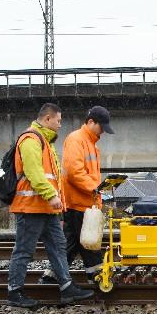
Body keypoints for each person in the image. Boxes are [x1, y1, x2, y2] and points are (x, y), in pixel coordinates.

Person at [7, 103, 94, 308]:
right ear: (47, 119)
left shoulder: (45, 142)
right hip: (31, 207)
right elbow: (34, 172)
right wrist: (51, 196)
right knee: (24, 250)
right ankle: (14, 291)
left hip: (46, 208)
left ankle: (66, 287)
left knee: (58, 246)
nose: (60, 125)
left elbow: (52, 177)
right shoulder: (31, 139)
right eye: (58, 120)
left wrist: (57, 201)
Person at [39, 105, 114, 285]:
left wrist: (97, 190)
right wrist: (95, 189)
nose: (103, 131)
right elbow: (74, 172)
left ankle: (53, 276)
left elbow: (84, 174)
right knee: (87, 243)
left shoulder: (89, 143)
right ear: (90, 122)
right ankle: (96, 277)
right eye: (101, 126)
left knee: (76, 243)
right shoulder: (77, 140)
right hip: (78, 203)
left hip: (84, 203)